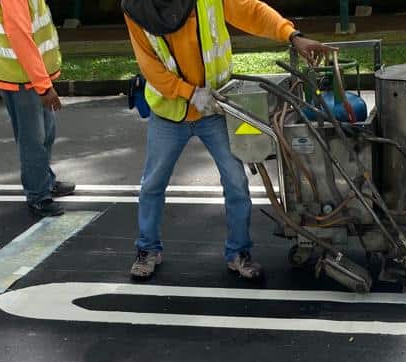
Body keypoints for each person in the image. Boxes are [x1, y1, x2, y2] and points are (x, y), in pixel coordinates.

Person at [124, 0, 333, 280]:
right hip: (170, 112)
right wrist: (189, 93)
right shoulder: (136, 8)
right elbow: (150, 66)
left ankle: (238, 252)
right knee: (152, 184)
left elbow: (251, 10)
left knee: (235, 182)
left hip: (215, 108)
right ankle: (147, 249)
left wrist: (291, 35)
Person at [0, 0, 76, 217]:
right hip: (22, 78)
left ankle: (45, 181)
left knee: (46, 134)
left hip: (25, 75)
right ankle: (38, 196)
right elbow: (21, 37)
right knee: (33, 140)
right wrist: (43, 87)